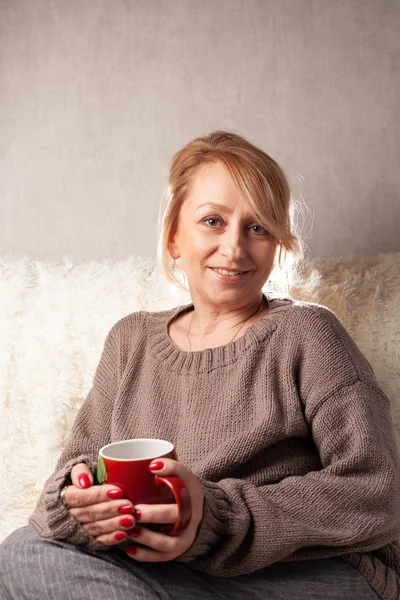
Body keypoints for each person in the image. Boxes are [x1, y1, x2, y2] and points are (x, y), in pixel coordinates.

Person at [0, 131, 399, 600]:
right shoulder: (130, 341)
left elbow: (375, 492)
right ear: (173, 236)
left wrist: (212, 517)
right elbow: (74, 472)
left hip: (302, 571)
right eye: (213, 221)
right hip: (168, 572)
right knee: (24, 552)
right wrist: (84, 503)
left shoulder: (308, 334)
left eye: (258, 228)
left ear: (276, 245)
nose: (234, 248)